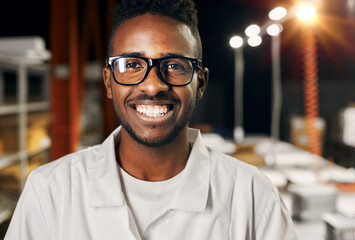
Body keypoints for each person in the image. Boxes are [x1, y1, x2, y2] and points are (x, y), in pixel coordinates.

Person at [5, 0, 297, 239]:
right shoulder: (50, 191)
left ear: (201, 83)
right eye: (132, 64)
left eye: (174, 65)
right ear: (108, 82)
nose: (153, 85)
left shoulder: (253, 196)